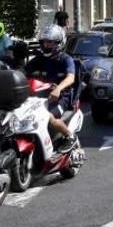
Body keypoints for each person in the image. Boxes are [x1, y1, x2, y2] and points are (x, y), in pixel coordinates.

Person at [24, 25, 78, 153]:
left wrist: (58, 88)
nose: (46, 45)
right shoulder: (39, 59)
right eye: (44, 42)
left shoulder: (66, 59)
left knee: (48, 117)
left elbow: (70, 78)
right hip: (40, 95)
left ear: (59, 43)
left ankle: (70, 136)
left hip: (62, 96)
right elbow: (22, 73)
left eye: (50, 42)